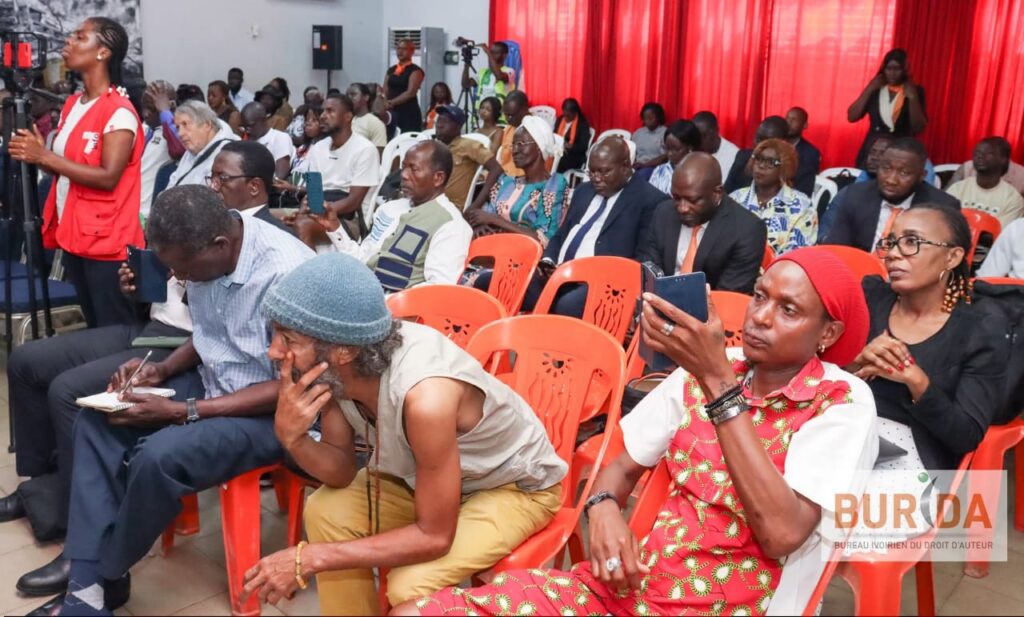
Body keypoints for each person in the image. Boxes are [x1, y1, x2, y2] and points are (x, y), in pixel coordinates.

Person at [403, 245, 878, 617]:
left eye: (788, 310)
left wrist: (717, 382)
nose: (761, 317)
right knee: (416, 612)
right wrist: (603, 509)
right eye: (760, 296)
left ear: (828, 334)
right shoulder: (711, 368)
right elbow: (620, 466)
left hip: (730, 606)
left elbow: (781, 533)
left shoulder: (839, 402)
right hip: (634, 589)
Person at [30, 185, 314, 616]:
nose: (179, 279)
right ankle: (88, 575)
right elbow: (212, 333)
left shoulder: (286, 274)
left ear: (219, 244)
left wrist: (185, 412)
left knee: (159, 456)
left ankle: (98, 581)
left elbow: (293, 385)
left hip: (276, 412)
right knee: (99, 418)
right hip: (216, 382)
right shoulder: (204, 254)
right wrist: (162, 370)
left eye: (183, 270)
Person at [240, 252, 566, 615]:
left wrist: (312, 558)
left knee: (410, 584)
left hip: (511, 488)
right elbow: (341, 471)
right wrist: (293, 438)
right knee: (325, 509)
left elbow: (435, 536)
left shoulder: (426, 398)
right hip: (428, 481)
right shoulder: (334, 371)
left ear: (343, 351)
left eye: (288, 339)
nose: (273, 351)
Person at [8, 17, 143, 329]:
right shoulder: (73, 104)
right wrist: (36, 154)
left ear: (103, 52)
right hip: (76, 234)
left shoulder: (119, 111)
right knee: (94, 326)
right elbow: (67, 168)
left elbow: (108, 177)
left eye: (80, 37)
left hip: (107, 242)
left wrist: (45, 156)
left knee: (113, 330)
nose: (69, 41)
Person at [851, 203, 1006, 471]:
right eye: (891, 242)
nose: (893, 254)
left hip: (915, 458)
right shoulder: (871, 296)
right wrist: (855, 363)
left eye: (912, 242)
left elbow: (966, 436)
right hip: (847, 432)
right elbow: (816, 378)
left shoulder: (980, 328)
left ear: (952, 257)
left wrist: (916, 382)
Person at [526, 138, 665, 315]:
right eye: (591, 172)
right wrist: (548, 261)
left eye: (604, 172)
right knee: (515, 281)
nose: (596, 178)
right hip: (559, 272)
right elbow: (561, 235)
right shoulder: (584, 190)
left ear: (625, 166)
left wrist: (591, 274)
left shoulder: (650, 200)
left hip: (601, 281)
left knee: (567, 305)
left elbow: (643, 260)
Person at [312, 141, 471, 291]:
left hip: (393, 305)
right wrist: (334, 227)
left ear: (438, 178)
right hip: (358, 289)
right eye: (404, 167)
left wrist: (387, 300)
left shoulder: (451, 225)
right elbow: (362, 258)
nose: (404, 175)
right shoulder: (389, 209)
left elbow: (439, 288)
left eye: (413, 169)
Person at [641, 152, 767, 293]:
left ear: (717, 193)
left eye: (693, 200)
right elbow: (650, 269)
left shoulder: (747, 230)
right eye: (676, 198)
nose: (682, 208)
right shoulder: (664, 213)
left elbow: (728, 295)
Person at [824, 138, 960, 253]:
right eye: (886, 168)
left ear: (921, 176)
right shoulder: (855, 195)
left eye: (904, 173)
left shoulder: (942, 208)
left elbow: (942, 260)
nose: (891, 180)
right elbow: (836, 249)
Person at [465, 116, 569, 245]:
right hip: (492, 247)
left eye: (521, 144)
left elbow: (544, 239)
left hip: (524, 253)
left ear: (539, 147)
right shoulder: (506, 182)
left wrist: (496, 220)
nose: (514, 150)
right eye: (513, 145)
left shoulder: (553, 185)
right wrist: (479, 225)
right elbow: (481, 216)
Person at [295, 94, 380, 244]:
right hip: (317, 211)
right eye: (322, 111)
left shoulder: (365, 149)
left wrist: (316, 213)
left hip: (348, 220)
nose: (322, 116)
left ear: (348, 117)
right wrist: (304, 211)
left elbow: (353, 202)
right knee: (268, 220)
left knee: (301, 226)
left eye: (330, 111)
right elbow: (313, 191)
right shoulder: (318, 147)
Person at [729, 138, 816, 255]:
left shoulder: (803, 207)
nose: (761, 166)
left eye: (770, 162)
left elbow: (797, 255)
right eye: (758, 159)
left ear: (785, 168)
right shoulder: (735, 198)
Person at [848, 48, 927, 168]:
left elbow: (919, 127)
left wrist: (913, 98)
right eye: (889, 68)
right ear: (883, 69)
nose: (892, 73)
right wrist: (869, 88)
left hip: (900, 150)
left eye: (897, 69)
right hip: (873, 149)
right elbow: (852, 117)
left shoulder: (915, 91)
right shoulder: (875, 89)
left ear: (904, 70)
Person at [209, 140, 296, 234]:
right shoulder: (212, 225)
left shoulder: (277, 236)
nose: (212, 186)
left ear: (254, 187)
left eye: (223, 178)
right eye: (212, 177)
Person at [432, 104, 503, 210]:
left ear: (457, 127)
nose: (439, 125)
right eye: (438, 121)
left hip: (453, 208)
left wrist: (476, 204)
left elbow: (496, 169)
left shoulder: (468, 145)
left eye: (445, 121)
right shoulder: (435, 148)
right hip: (432, 203)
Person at [945, 137, 1024, 227]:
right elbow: (944, 219)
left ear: (1003, 159)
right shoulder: (958, 188)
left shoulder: (1013, 199)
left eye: (988, 153)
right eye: (977, 153)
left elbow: (1000, 231)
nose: (980, 156)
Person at [166, 100, 239, 187]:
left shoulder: (228, 156)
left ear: (207, 125)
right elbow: (173, 182)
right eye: (178, 127)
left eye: (185, 124)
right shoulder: (193, 149)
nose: (180, 133)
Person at [723, 115, 789, 194]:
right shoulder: (742, 157)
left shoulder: (791, 167)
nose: (759, 145)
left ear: (783, 142)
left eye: (767, 141)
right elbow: (726, 192)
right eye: (758, 138)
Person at [138, 82, 174, 218]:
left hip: (150, 214)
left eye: (152, 109)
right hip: (129, 211)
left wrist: (165, 112)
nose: (145, 114)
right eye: (144, 107)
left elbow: (178, 150)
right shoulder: (142, 129)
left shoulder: (174, 133)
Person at [240, 102, 295, 180]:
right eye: (244, 127)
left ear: (263, 120)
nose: (247, 131)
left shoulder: (280, 138)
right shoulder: (246, 141)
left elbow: (280, 176)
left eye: (250, 126)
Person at [649, 119, 702, 195]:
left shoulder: (701, 173)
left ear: (690, 148)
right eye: (667, 148)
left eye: (675, 149)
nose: (669, 153)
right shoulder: (659, 171)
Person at [383, 39, 425, 134]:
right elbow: (385, 88)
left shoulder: (415, 70)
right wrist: (385, 101)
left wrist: (392, 102)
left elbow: (410, 92)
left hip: (408, 111)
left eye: (404, 49)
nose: (400, 51)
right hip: (391, 110)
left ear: (412, 51)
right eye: (398, 48)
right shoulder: (391, 69)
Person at [462, 40, 516, 112]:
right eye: (491, 52)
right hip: (482, 114)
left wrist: (488, 53)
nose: (492, 55)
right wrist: (466, 64)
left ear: (504, 55)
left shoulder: (509, 71)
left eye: (495, 53)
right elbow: (466, 84)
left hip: (499, 115)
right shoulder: (483, 72)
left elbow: (499, 76)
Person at [784, 106, 822, 197]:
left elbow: (805, 186)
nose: (788, 122)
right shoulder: (774, 144)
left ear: (805, 125)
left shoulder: (810, 153)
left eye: (794, 119)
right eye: (787, 118)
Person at [950, 151, 1024, 197]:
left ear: (1003, 159)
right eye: (978, 153)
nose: (980, 158)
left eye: (989, 155)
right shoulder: (968, 167)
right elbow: (947, 195)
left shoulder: (1021, 175)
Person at [693, 110, 740, 179]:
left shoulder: (734, 156)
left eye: (704, 135)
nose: (699, 140)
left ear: (716, 131)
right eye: (696, 136)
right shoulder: (691, 149)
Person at [497, 90, 530, 177]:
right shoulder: (509, 129)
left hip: (525, 179)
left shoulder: (535, 130)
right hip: (505, 176)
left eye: (511, 115)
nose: (508, 119)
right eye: (506, 115)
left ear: (524, 110)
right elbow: (502, 160)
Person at [347, 82, 388, 150]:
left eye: (353, 94)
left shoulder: (375, 123)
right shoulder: (346, 120)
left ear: (366, 97)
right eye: (347, 95)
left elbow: (378, 153)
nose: (349, 98)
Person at [554, 97, 592, 172]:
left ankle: (557, 178)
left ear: (575, 113)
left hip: (574, 156)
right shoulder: (560, 119)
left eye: (568, 115)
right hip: (558, 150)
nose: (566, 117)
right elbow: (554, 135)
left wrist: (570, 146)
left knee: (559, 160)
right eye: (564, 113)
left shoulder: (582, 124)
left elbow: (583, 146)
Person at [632, 102, 668, 173]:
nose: (647, 121)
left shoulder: (665, 133)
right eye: (645, 118)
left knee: (643, 173)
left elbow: (666, 156)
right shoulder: (638, 133)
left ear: (658, 117)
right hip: (638, 166)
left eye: (650, 118)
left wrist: (645, 165)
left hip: (656, 168)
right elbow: (632, 153)